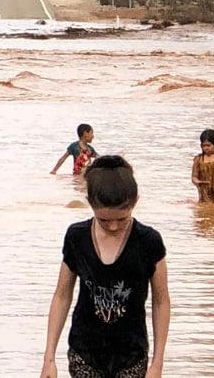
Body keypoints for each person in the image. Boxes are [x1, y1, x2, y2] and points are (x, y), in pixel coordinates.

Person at [40, 155, 169, 378]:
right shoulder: (76, 237)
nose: (113, 226)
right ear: (90, 203)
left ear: (135, 202)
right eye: (104, 220)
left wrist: (157, 364)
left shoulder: (148, 241)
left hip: (132, 355)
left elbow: (161, 301)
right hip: (84, 353)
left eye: (122, 218)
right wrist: (49, 358)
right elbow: (62, 295)